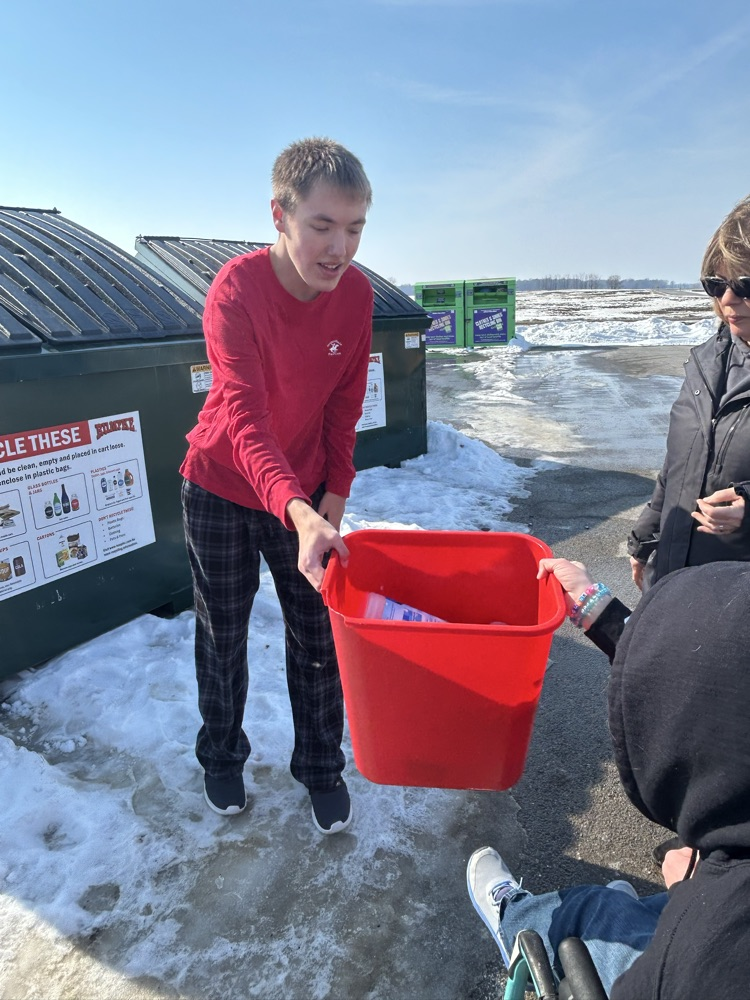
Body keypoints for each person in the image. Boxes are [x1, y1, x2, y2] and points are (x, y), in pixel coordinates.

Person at [180, 137, 374, 834]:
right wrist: (296, 507)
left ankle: (322, 767)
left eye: (354, 228)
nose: (339, 247)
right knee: (222, 631)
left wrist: (335, 494)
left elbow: (344, 407)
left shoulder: (356, 297)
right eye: (322, 225)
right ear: (280, 216)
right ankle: (222, 755)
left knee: (318, 634)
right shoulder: (236, 291)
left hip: (308, 496)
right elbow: (244, 417)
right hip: (223, 486)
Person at [467, 557, 750, 998]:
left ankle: (515, 918)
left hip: (683, 954)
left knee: (587, 909)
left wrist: (703, 898)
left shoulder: (697, 959)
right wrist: (593, 606)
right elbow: (713, 680)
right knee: (637, 904)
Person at [628, 195, 750, 592]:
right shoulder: (707, 363)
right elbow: (680, 465)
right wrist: (645, 539)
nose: (728, 300)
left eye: (746, 284)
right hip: (677, 579)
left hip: (735, 596)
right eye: (716, 284)